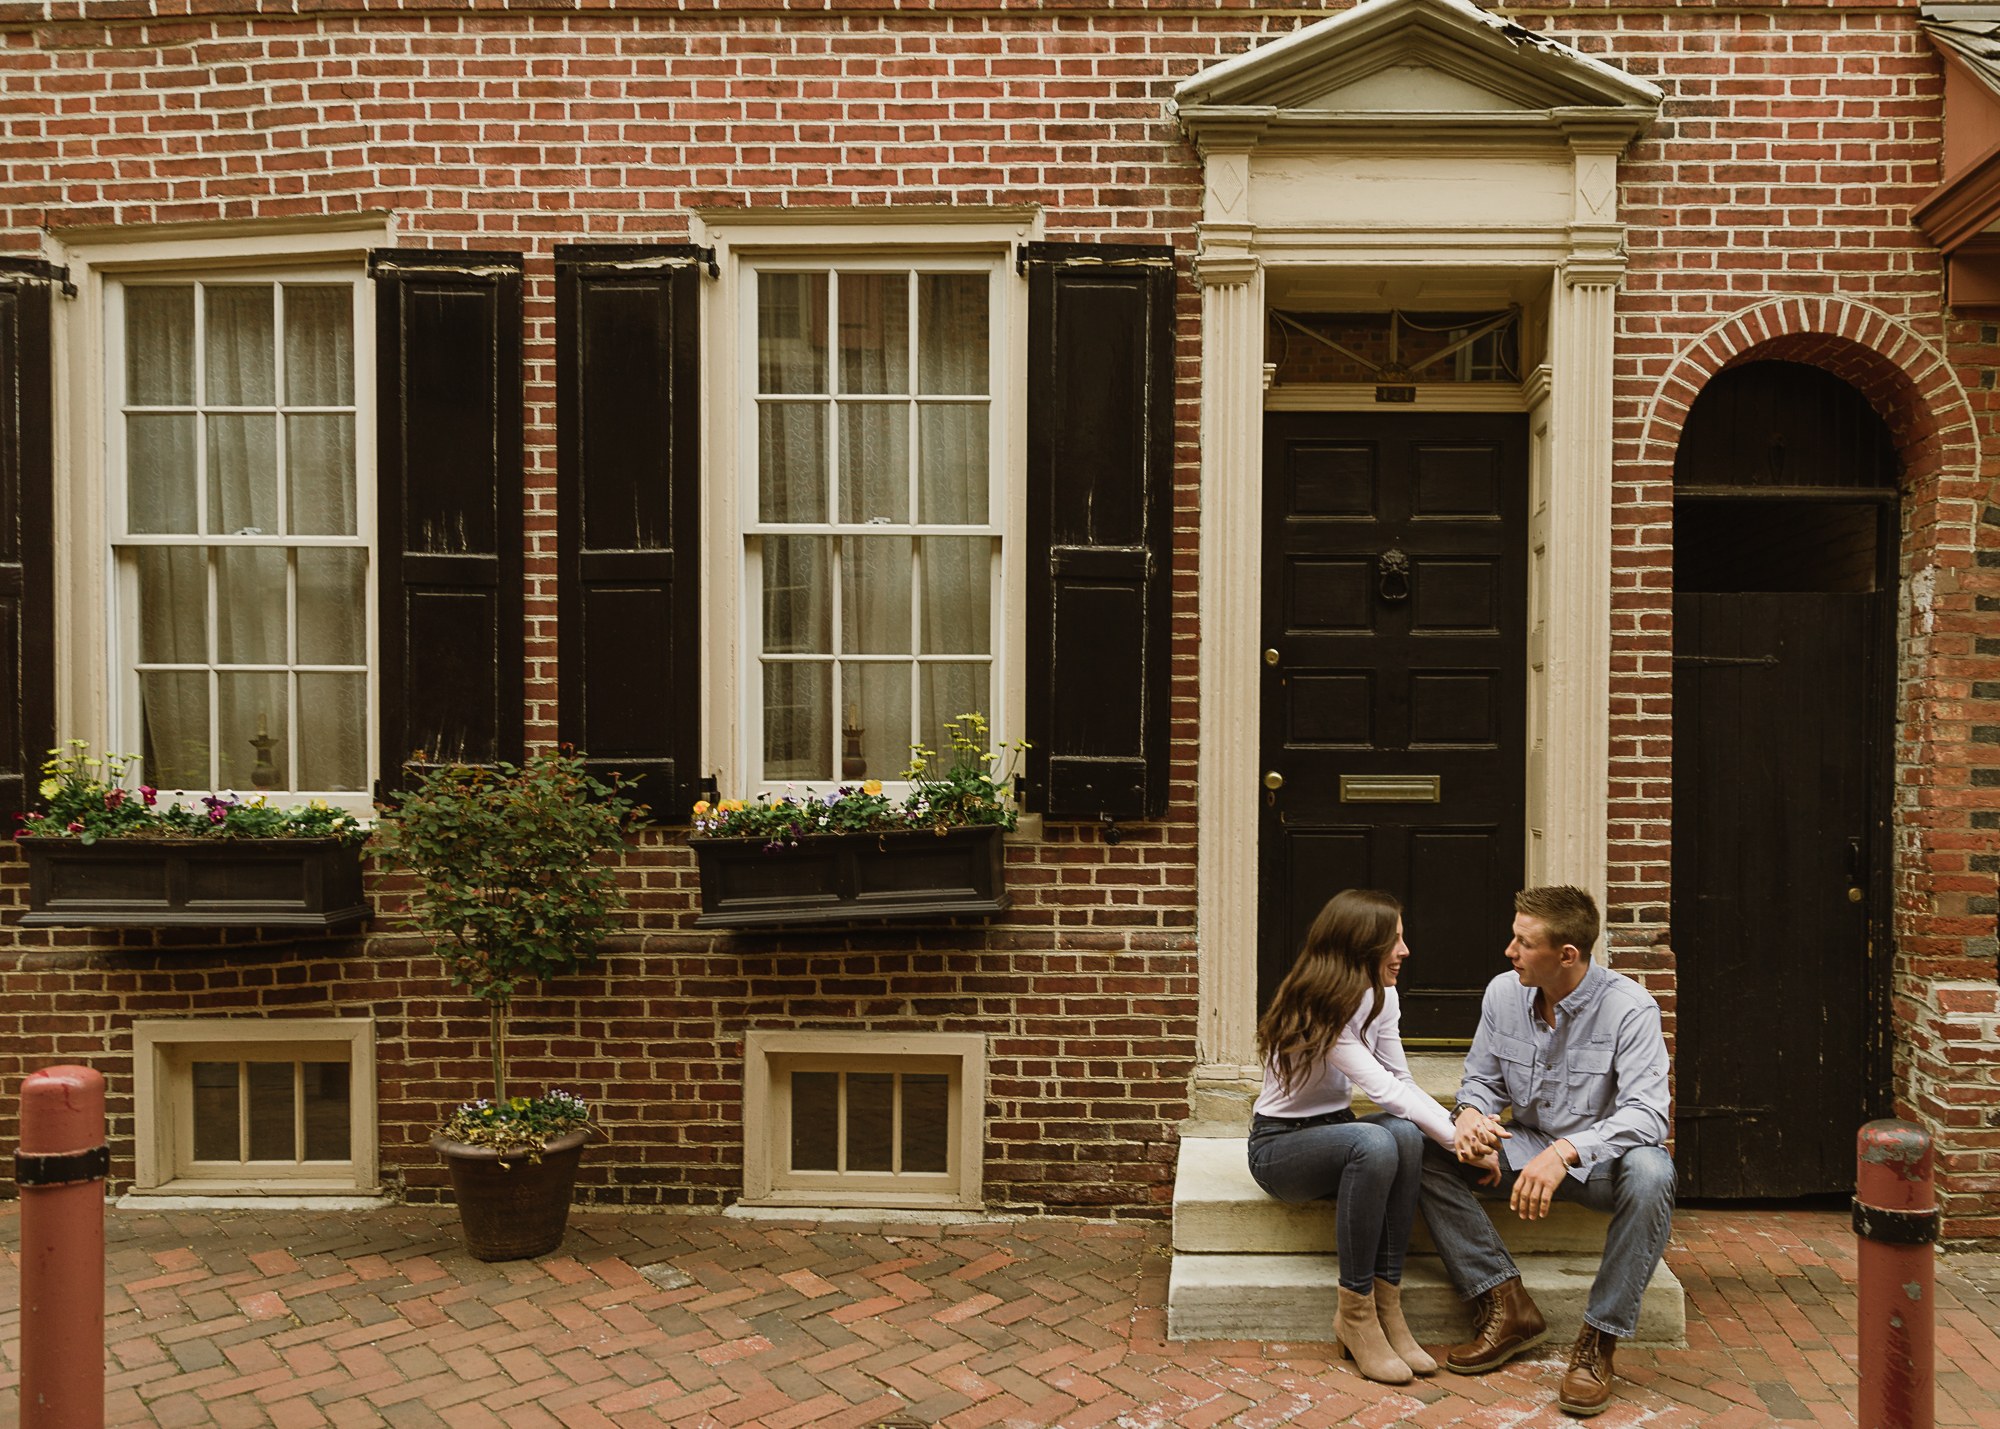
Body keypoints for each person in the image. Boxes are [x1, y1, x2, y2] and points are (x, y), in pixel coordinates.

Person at [1419, 885, 1674, 1418]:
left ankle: (1598, 1342)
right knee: (1423, 1147)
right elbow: (1482, 1081)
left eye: (1523, 942)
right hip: (1524, 1148)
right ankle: (1503, 1302)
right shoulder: (1503, 993)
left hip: (1602, 1164)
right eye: (1513, 937)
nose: (1509, 952)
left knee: (1653, 1171)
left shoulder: (1630, 1009)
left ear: (1568, 956)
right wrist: (1471, 1117)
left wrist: (1566, 1151)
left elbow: (1649, 1116)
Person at [1248, 889, 1459, 1384]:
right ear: (1359, 946)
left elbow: (1402, 1081)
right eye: (1395, 941)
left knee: (1403, 1136)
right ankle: (1355, 1314)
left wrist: (1456, 1129)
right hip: (1280, 1147)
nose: (1405, 952)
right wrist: (1457, 1141)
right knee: (1377, 1138)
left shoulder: (1382, 996)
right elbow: (1383, 1090)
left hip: (1334, 1136)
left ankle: (1388, 1305)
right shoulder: (1318, 1002)